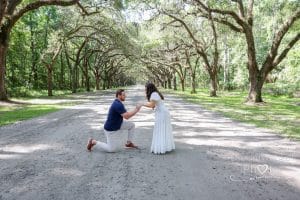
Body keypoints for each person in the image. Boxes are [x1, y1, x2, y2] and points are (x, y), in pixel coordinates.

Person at [141, 83, 175, 154]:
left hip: (162, 113)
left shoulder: (153, 94)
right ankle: (164, 146)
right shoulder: (155, 93)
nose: (145, 90)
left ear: (149, 88)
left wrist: (142, 104)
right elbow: (154, 104)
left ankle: (161, 148)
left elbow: (151, 105)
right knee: (162, 129)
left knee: (160, 129)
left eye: (146, 88)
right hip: (162, 112)